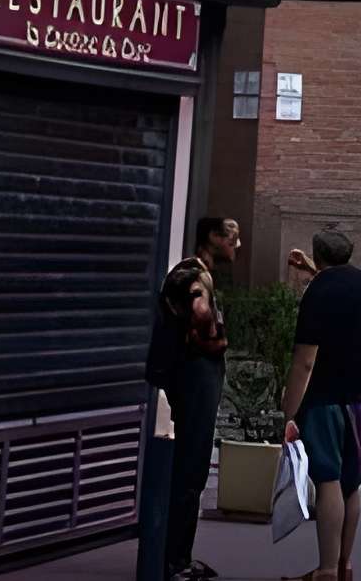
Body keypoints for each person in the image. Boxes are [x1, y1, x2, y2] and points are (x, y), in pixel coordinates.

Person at [282, 227, 361, 581]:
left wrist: (289, 408)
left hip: (324, 397)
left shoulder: (317, 293)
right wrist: (312, 267)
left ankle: (325, 570)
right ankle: (343, 566)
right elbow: (337, 283)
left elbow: (305, 360)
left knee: (328, 480)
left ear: (318, 255)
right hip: (357, 398)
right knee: (351, 484)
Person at [148, 214, 240, 581]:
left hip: (192, 378)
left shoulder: (193, 274)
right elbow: (203, 323)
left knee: (192, 469)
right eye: (231, 237)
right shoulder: (192, 276)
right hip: (194, 377)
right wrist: (218, 339)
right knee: (191, 469)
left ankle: (177, 557)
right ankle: (175, 561)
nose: (236, 244)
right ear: (213, 237)